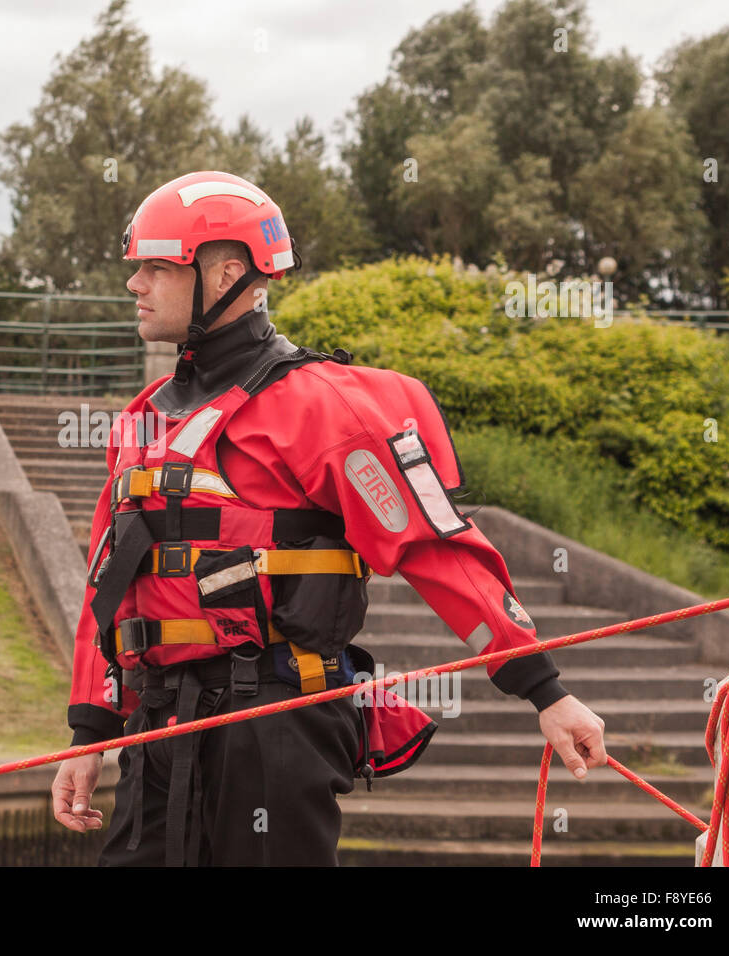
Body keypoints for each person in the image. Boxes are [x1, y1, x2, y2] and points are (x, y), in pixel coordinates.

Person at [50, 170, 607, 866]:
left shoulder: (323, 407)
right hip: (156, 728)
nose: (135, 284)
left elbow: (437, 550)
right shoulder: (140, 420)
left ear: (225, 273)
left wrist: (544, 691)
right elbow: (107, 589)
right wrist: (90, 734)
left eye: (157, 267)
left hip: (275, 722)